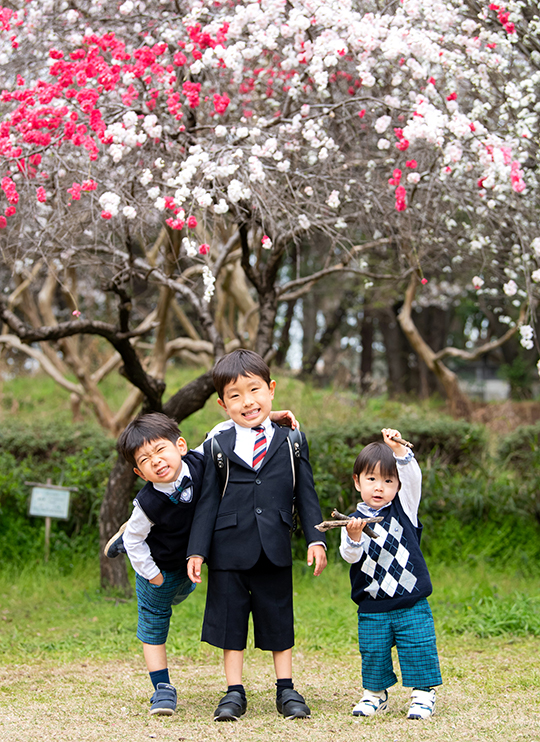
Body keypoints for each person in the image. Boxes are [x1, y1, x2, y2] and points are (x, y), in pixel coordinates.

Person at [105, 408, 297, 716]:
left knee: (182, 594)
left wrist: (269, 416)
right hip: (159, 566)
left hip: (188, 565)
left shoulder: (199, 459)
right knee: (154, 621)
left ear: (180, 446)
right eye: (144, 460)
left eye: (160, 450)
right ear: (140, 473)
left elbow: (224, 426)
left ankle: (129, 537)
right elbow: (139, 545)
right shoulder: (148, 502)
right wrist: (152, 575)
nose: (156, 461)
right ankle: (162, 689)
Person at [186, 349, 327, 722]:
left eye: (255, 390)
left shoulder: (292, 440)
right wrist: (196, 551)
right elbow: (206, 503)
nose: (247, 401)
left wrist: (316, 538)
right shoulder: (217, 444)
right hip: (227, 548)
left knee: (279, 616)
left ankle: (287, 689)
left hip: (275, 543)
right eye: (235, 395)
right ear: (222, 403)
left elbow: (306, 494)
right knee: (230, 621)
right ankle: (234, 692)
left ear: (272, 390)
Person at [339, 428, 442, 720]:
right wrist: (355, 537)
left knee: (418, 645)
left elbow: (412, 477)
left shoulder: (404, 508)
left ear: (397, 485)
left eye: (388, 480)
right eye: (371, 479)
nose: (379, 487)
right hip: (372, 603)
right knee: (373, 651)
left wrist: (398, 450)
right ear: (357, 481)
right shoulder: (350, 522)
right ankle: (375, 694)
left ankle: (423, 694)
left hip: (410, 600)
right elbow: (349, 556)